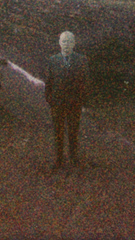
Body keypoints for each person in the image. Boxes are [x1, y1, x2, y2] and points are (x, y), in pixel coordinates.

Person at [44, 30, 89, 168]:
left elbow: (85, 82)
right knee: (58, 131)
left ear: (74, 43)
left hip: (74, 103)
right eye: (64, 41)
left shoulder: (81, 60)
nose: (66, 44)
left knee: (73, 131)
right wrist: (50, 100)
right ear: (59, 43)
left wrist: (82, 101)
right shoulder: (53, 60)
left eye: (69, 41)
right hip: (57, 103)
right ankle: (58, 159)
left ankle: (74, 158)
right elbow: (49, 82)